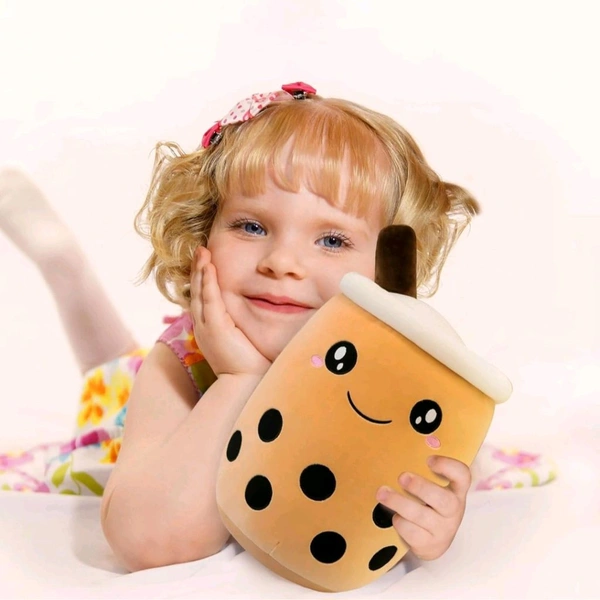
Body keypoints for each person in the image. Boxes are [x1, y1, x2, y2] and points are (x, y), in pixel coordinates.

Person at [0, 82, 480, 572]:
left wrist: (430, 525)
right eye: (252, 226)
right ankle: (64, 265)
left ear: (387, 270)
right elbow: (146, 544)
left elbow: (414, 478)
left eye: (332, 240)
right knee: (110, 369)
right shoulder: (182, 364)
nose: (282, 262)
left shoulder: (392, 374)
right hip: (126, 414)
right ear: (202, 231)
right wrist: (239, 380)